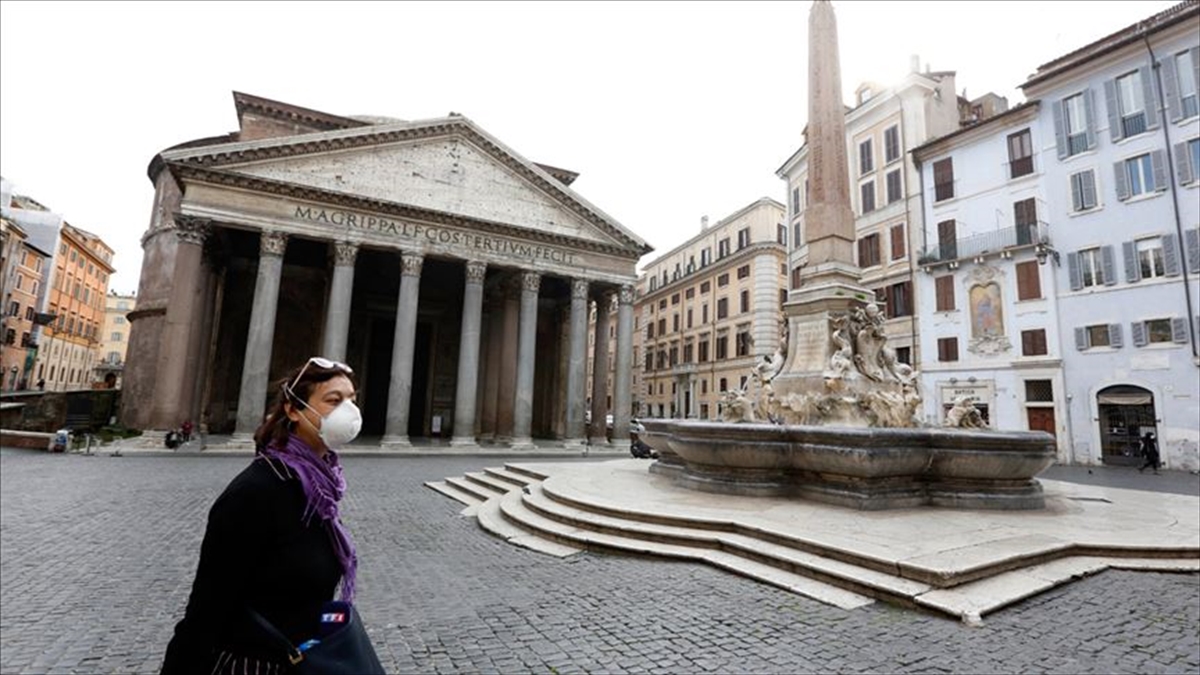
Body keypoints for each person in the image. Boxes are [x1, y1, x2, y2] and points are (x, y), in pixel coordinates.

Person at [161, 357, 363, 674]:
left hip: (300, 660)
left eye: (352, 399)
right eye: (333, 400)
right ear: (293, 410)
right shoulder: (257, 492)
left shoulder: (319, 491)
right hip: (255, 664)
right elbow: (206, 609)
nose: (349, 411)